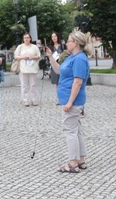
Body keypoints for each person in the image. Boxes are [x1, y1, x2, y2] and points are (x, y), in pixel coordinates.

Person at [45, 31, 90, 174]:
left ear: (76, 43)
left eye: (69, 41)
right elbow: (59, 70)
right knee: (77, 131)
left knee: (70, 131)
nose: (67, 43)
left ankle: (72, 163)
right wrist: (50, 57)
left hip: (72, 101)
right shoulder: (72, 57)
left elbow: (77, 82)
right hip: (68, 99)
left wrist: (69, 102)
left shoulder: (80, 59)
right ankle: (81, 160)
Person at [14, 33, 41, 106]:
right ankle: (25, 100)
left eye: (27, 37)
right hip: (23, 69)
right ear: (23, 39)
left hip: (33, 68)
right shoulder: (20, 47)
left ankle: (34, 99)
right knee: (24, 85)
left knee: (33, 85)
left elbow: (38, 56)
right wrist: (23, 57)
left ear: (30, 38)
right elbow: (16, 56)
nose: (26, 39)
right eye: (25, 38)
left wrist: (33, 57)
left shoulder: (34, 47)